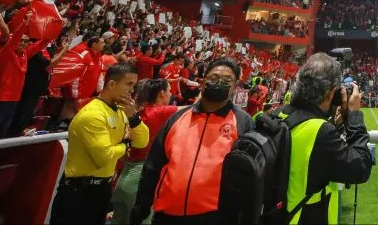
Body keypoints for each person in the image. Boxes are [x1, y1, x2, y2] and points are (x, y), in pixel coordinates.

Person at [130, 57, 253, 225]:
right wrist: (141, 205)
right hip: (167, 214)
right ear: (203, 81)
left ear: (235, 86)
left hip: (214, 217)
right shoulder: (178, 117)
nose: (219, 83)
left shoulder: (243, 122)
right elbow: (153, 165)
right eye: (214, 78)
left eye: (227, 80)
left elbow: (247, 176)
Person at [273, 53, 373, 224]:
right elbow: (360, 168)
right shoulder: (320, 132)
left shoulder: (277, 115)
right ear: (331, 93)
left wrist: (335, 123)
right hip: (303, 217)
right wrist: (355, 116)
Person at [51, 62, 147, 225]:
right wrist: (125, 145)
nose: (132, 91)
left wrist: (133, 117)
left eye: (134, 85)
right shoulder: (93, 114)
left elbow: (142, 141)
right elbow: (104, 156)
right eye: (129, 84)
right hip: (79, 192)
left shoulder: (121, 111)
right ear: (111, 84)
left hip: (102, 189)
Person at [111, 78, 178, 225]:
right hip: (141, 177)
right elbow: (196, 107)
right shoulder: (160, 112)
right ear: (161, 94)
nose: (171, 94)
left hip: (124, 174)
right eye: (169, 91)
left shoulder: (135, 111)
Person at [0, 9, 51, 139]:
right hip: (0, 98)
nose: (23, 43)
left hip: (14, 99)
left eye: (26, 41)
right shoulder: (5, 53)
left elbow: (41, 44)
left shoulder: (24, 55)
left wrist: (53, 29)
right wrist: (24, 24)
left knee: (3, 133)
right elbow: (14, 39)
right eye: (21, 40)